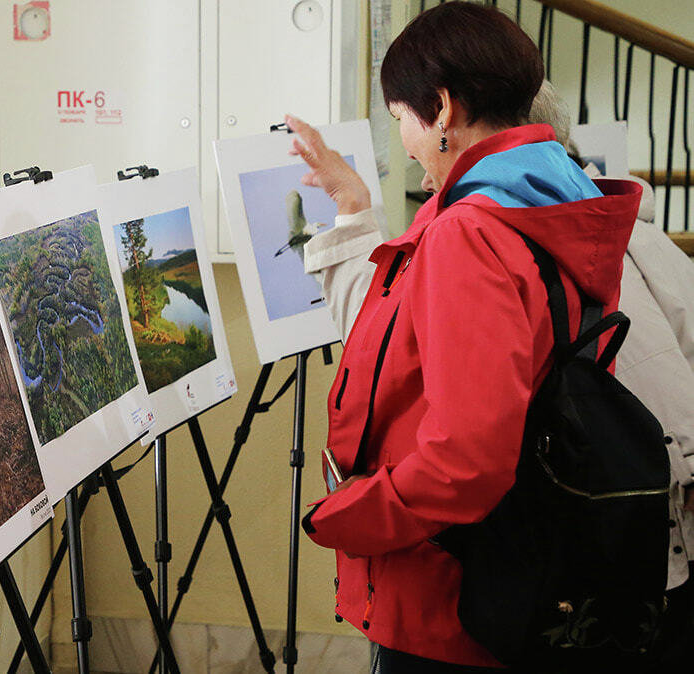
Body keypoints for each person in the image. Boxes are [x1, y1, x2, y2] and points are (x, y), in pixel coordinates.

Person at [294, 71, 694, 670]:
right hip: (642, 564)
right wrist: (354, 211)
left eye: (408, 121)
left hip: (543, 578)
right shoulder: (612, 231)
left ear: (454, 121)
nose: (417, 165)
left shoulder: (476, 237)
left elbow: (459, 448)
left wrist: (344, 516)